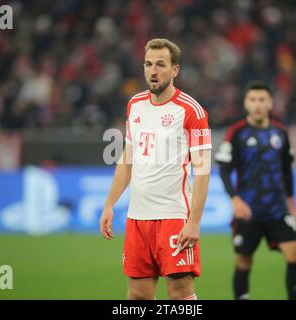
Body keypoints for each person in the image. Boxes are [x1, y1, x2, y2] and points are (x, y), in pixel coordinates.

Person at [99, 38, 212, 300]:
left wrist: (193, 222)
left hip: (174, 216)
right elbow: (127, 158)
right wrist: (109, 204)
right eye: (148, 64)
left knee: (180, 292)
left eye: (161, 64)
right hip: (137, 218)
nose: (153, 70)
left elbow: (202, 170)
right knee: (138, 294)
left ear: (175, 70)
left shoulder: (191, 111)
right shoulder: (135, 105)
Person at [215, 81, 296, 300]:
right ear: (246, 103)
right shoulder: (236, 133)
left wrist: (291, 204)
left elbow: (286, 170)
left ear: (270, 103)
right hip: (249, 211)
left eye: (262, 99)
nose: (257, 104)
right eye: (253, 99)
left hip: (277, 210)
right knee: (243, 261)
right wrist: (235, 200)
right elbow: (224, 169)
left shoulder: (281, 132)